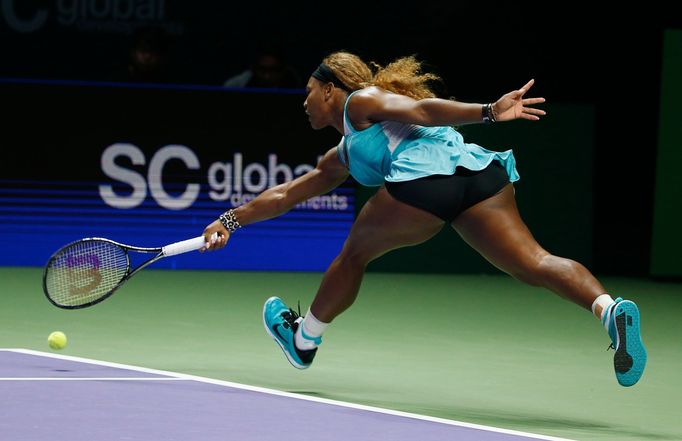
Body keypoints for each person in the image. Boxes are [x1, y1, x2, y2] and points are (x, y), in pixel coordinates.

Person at [202, 51, 647, 387]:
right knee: (534, 262)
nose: (304, 102)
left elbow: (421, 110)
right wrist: (230, 220)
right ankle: (609, 311)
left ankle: (304, 341)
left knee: (354, 255)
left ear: (330, 89)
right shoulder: (343, 153)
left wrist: (489, 112)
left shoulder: (361, 100)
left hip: (426, 182)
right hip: (477, 177)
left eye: (308, 92)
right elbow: (286, 193)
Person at [223, 47, 301, 89]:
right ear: (253, 68)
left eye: (273, 70)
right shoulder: (238, 85)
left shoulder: (294, 85)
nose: (267, 76)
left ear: (282, 70)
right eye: (262, 69)